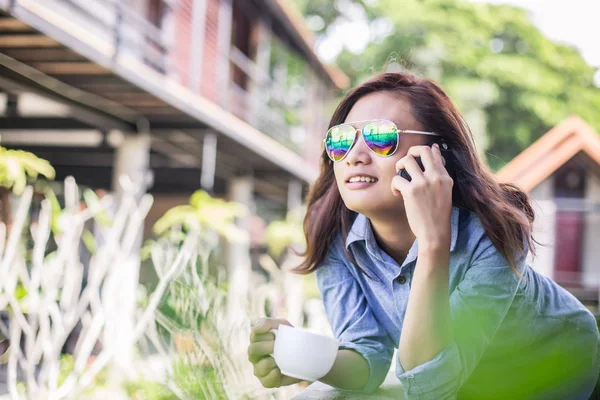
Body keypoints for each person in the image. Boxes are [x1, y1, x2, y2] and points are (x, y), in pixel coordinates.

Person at [247, 71, 600, 399]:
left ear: (437, 155)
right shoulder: (335, 238)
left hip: (555, 364)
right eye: (341, 140)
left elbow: (430, 384)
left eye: (380, 136)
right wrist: (301, 360)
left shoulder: (494, 230)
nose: (354, 156)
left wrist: (433, 241)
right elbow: (366, 360)